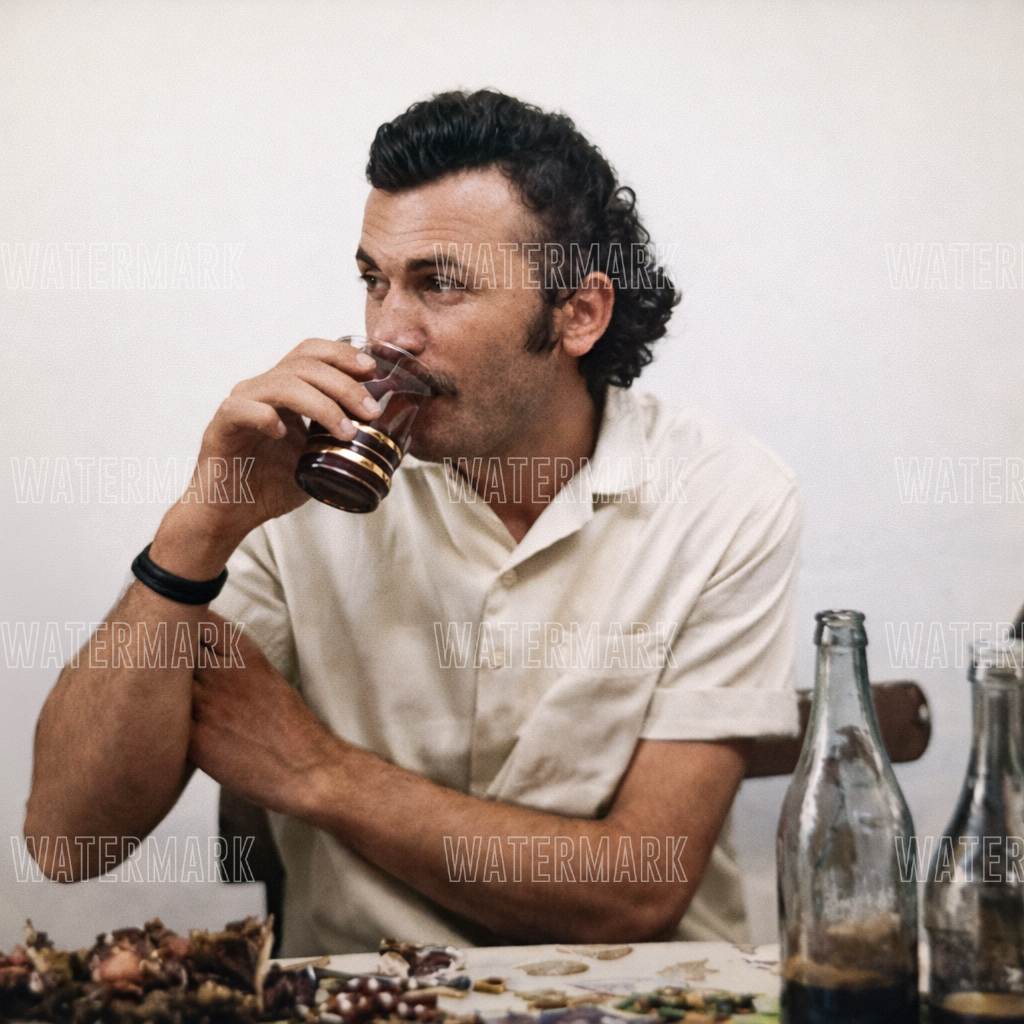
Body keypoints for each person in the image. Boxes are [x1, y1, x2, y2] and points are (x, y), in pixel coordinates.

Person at [25, 90, 801, 955]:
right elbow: (66, 841)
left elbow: (634, 896)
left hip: (643, 998)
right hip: (368, 1002)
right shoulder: (292, 482)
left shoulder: (724, 493)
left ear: (579, 313)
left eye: (441, 284)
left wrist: (317, 773)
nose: (388, 334)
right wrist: (196, 530)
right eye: (374, 281)